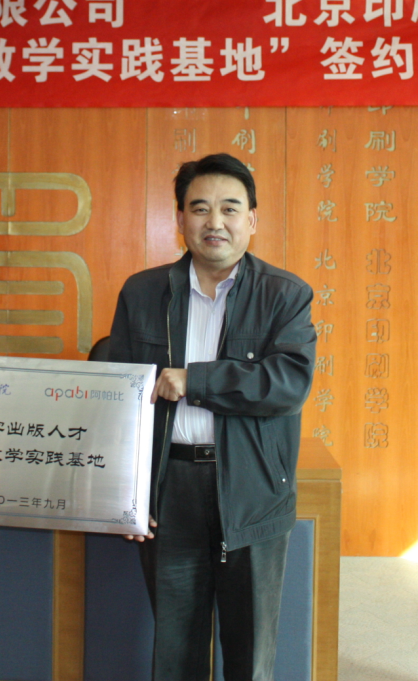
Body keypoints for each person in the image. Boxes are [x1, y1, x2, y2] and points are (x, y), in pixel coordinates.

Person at [108, 153, 315, 681]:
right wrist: (128, 493)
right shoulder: (143, 292)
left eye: (230, 208)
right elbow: (117, 398)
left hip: (251, 488)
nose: (214, 222)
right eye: (200, 208)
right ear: (180, 218)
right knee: (176, 648)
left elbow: (287, 383)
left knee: (250, 649)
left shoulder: (285, 295)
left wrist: (196, 381)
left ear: (252, 219)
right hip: (169, 490)